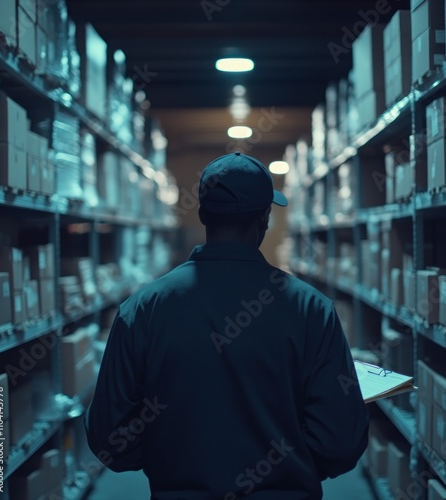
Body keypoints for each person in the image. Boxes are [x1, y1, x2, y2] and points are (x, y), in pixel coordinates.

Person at [85, 151, 369, 499]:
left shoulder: (142, 309)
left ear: (203, 213)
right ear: (265, 217)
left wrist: (166, 459)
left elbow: (108, 436)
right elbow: (340, 443)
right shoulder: (312, 309)